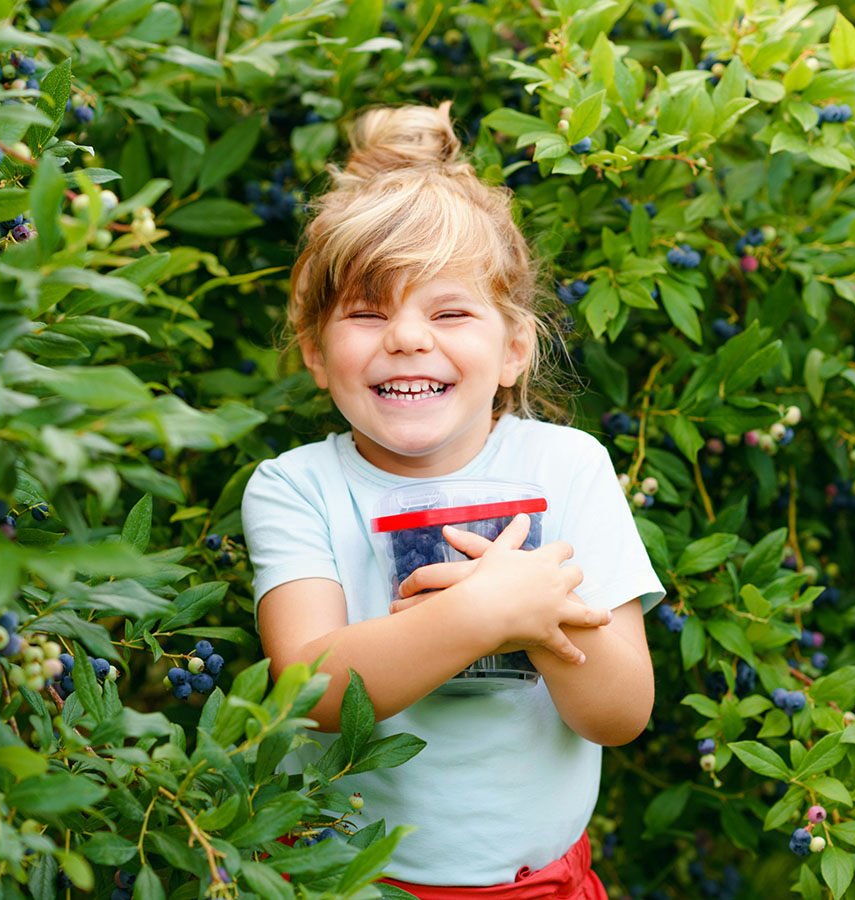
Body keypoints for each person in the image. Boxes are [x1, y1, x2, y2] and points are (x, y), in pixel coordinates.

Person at [242, 100, 665, 899]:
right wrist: (480, 615)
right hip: (348, 881)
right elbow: (311, 690)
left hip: (538, 886)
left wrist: (535, 619)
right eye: (367, 313)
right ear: (315, 350)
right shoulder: (298, 487)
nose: (406, 338)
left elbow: (620, 714)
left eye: (450, 312)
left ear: (512, 348)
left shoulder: (568, 466)